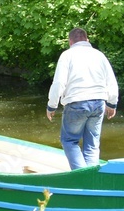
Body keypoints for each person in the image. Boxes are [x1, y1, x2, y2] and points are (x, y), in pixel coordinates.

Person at [46, 27, 119, 170]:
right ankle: (91, 178)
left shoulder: (67, 55)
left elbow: (59, 83)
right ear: (87, 40)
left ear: (70, 42)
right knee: (92, 145)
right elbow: (111, 81)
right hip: (99, 103)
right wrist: (112, 104)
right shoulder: (99, 55)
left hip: (76, 103)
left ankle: (81, 176)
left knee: (69, 141)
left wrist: (51, 106)